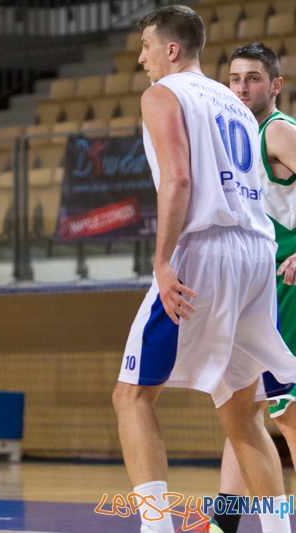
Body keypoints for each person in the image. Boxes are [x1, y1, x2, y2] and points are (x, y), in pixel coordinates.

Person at [111, 6, 296, 533]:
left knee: (131, 395)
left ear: (172, 49)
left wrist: (163, 260)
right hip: (257, 252)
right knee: (241, 412)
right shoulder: (233, 103)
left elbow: (179, 179)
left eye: (147, 44)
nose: (141, 55)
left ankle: (155, 527)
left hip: (206, 250)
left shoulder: (162, 94)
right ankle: (279, 530)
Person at [208, 42, 296, 533]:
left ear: (275, 85)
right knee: (242, 409)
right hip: (261, 282)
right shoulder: (238, 137)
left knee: (288, 411)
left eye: (254, 79)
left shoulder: (277, 131)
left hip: (289, 281)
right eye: (235, 78)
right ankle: (225, 523)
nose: (242, 87)